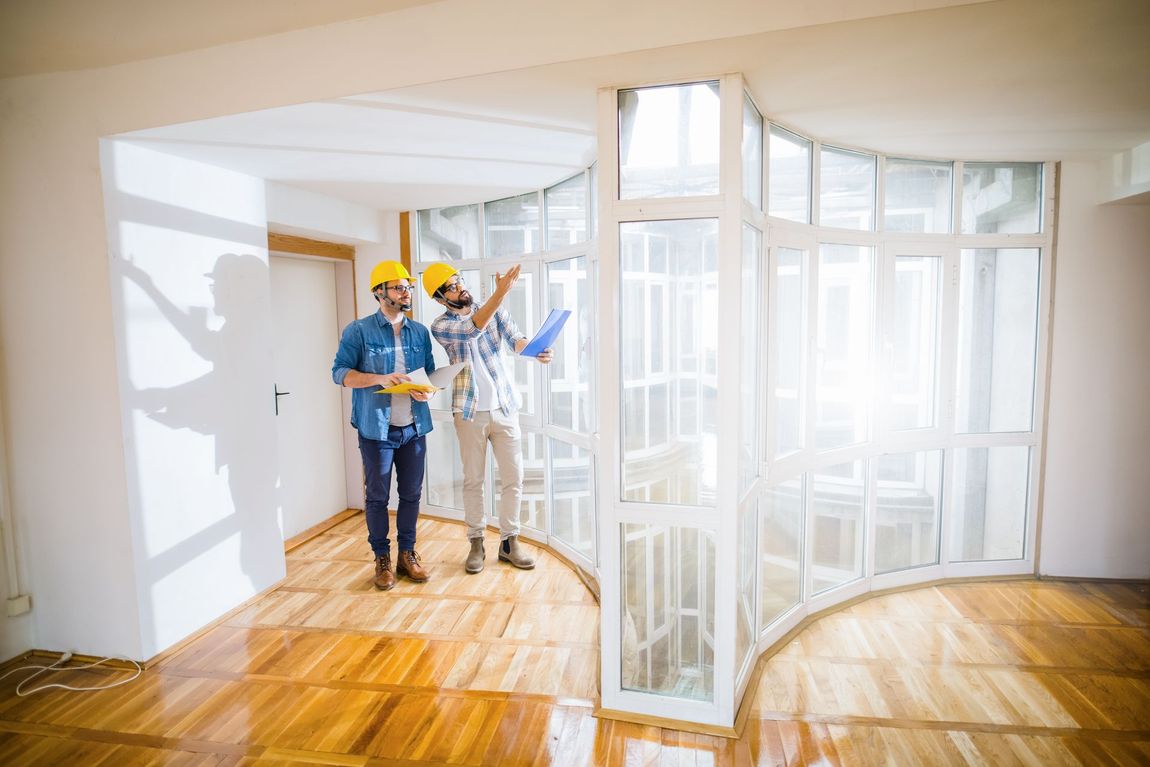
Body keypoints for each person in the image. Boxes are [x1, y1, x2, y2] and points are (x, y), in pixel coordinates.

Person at [423, 262, 552, 574]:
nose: (460, 287)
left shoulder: (493, 308)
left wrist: (534, 350)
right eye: (452, 287)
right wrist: (501, 292)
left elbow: (515, 339)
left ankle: (509, 541)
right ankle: (477, 541)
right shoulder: (441, 326)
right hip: (469, 413)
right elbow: (472, 329)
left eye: (459, 281)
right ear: (441, 299)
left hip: (505, 408)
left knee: (514, 478)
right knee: (474, 481)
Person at [332, 260, 435, 590]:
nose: (406, 292)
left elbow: (429, 375)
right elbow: (340, 373)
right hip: (377, 429)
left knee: (411, 494)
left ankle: (408, 553)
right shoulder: (358, 331)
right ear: (379, 292)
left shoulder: (419, 332)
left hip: (413, 427)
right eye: (399, 287)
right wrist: (380, 378)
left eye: (408, 287)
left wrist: (427, 392)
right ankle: (382, 558)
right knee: (377, 497)